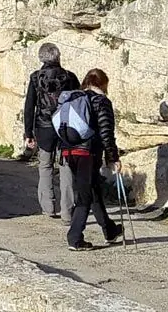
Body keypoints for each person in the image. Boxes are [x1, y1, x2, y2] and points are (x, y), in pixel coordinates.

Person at [56, 68, 123, 250]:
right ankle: (75, 239)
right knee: (85, 196)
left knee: (93, 191)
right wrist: (113, 157)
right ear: (103, 83)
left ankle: (110, 230)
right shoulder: (101, 101)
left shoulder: (73, 98)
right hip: (88, 153)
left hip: (69, 151)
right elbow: (106, 132)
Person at [22, 43, 80, 220]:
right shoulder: (69, 77)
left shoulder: (35, 78)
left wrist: (28, 133)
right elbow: (78, 103)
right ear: (58, 56)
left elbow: (29, 106)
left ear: (41, 58)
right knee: (66, 166)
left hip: (43, 127)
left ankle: (48, 207)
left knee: (45, 166)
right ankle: (67, 212)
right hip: (65, 128)